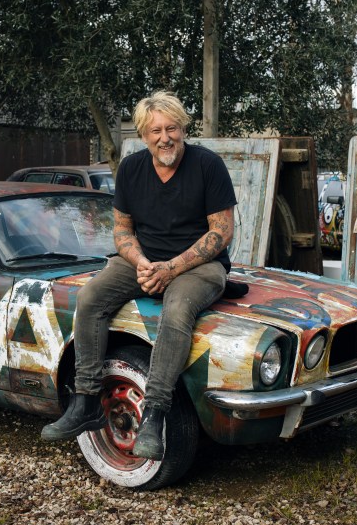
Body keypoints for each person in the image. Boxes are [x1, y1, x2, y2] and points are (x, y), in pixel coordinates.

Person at [41, 91, 237, 460]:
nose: (165, 137)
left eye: (172, 128)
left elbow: (221, 232)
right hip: (144, 260)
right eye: (156, 130)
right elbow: (121, 231)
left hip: (199, 265)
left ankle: (154, 415)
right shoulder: (131, 169)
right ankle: (85, 402)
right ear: (145, 135)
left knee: (177, 310)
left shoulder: (207, 165)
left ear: (183, 129)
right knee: (90, 297)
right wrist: (143, 262)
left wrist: (170, 269)